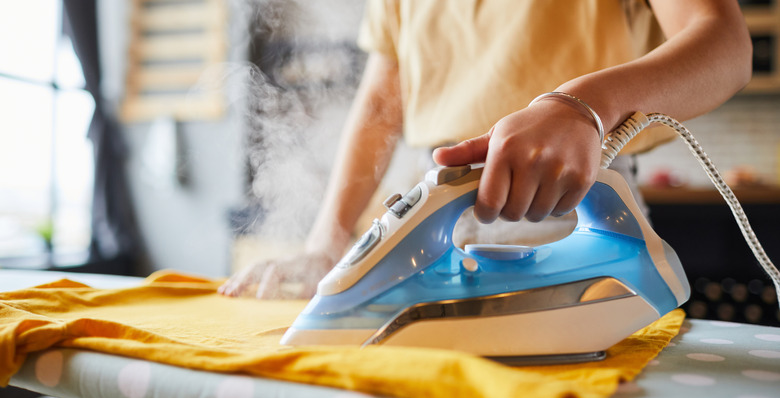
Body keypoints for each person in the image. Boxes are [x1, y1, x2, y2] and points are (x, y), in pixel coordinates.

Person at [219, 0, 752, 299]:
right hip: (433, 198)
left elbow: (724, 43)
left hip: (572, 197)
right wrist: (327, 244)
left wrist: (581, 107)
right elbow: (382, 108)